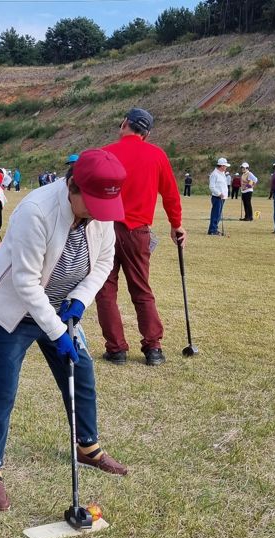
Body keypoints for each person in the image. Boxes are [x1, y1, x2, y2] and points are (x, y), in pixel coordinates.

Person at [0, 148, 129, 511]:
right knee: (2, 387)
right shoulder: (36, 211)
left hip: (62, 310)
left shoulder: (100, 208)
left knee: (82, 372)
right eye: (89, 203)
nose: (96, 215)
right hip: (13, 311)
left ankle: (87, 447)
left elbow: (105, 260)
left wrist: (78, 300)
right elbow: (26, 282)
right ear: (72, 187)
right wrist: (57, 333)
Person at [96, 108, 186, 367]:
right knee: (141, 289)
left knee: (105, 289)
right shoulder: (157, 155)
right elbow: (170, 195)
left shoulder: (106, 153)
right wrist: (176, 225)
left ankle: (116, 349)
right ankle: (153, 347)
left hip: (105, 229)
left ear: (125, 123)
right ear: (146, 133)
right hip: (138, 232)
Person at [208, 157, 230, 235]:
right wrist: (219, 193)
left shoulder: (222, 173)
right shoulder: (214, 174)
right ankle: (212, 230)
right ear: (221, 166)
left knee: (218, 214)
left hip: (222, 197)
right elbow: (211, 187)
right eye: (225, 166)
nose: (226, 167)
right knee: (215, 214)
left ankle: (215, 228)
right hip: (217, 197)